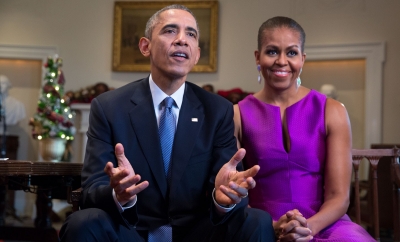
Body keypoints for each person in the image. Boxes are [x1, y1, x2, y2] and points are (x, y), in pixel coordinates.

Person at [60, 5, 275, 242]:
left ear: (196, 54)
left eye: (191, 34)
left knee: (258, 221)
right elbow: (92, 189)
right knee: (82, 223)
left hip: (195, 234)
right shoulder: (109, 107)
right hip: (132, 232)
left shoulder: (217, 110)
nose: (182, 40)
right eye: (170, 31)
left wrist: (222, 198)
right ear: (145, 46)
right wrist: (119, 194)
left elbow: (229, 185)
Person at [233, 16, 375, 241]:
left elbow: (339, 197)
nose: (282, 61)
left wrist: (305, 228)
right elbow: (235, 195)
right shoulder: (237, 114)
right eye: (272, 51)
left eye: (291, 52)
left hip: (323, 223)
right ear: (257, 57)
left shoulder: (333, 110)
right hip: (260, 225)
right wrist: (274, 227)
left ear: (303, 59)